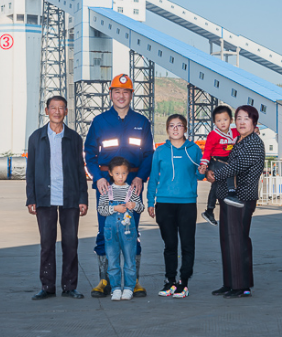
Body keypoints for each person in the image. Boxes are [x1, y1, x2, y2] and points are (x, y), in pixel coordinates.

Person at [84, 74, 154, 298]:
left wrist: (140, 178)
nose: (121, 96)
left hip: (133, 185)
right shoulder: (100, 121)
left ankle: (134, 281)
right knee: (106, 230)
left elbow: (148, 154)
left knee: (132, 231)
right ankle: (105, 280)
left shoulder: (141, 122)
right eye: (117, 92)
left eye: (125, 92)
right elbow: (89, 154)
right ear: (111, 94)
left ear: (131, 95)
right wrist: (98, 177)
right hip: (106, 186)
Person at [26, 95, 89, 300]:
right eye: (53, 108)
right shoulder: (36, 138)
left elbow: (80, 170)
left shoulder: (74, 138)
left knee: (70, 243)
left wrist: (83, 198)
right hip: (45, 198)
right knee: (47, 244)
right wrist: (31, 198)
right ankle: (47, 287)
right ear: (47, 111)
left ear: (66, 112)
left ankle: (69, 286)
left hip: (70, 198)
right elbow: (30, 170)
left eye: (61, 108)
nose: (57, 111)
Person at [206, 105, 265, 299]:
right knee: (227, 240)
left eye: (246, 118)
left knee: (238, 240)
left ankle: (242, 286)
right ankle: (230, 283)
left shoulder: (253, 142)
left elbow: (238, 165)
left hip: (242, 197)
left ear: (254, 122)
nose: (241, 122)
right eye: (238, 118)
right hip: (228, 197)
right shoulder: (239, 139)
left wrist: (216, 174)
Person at [147, 114, 204, 298]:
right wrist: (150, 202)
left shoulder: (194, 149)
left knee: (187, 244)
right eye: (172, 125)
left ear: (185, 129)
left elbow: (200, 175)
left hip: (187, 203)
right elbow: (153, 178)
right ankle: (170, 281)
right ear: (167, 129)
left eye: (179, 125)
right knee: (170, 245)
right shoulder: (160, 151)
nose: (175, 129)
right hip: (164, 203)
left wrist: (202, 171)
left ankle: (183, 282)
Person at [98, 157, 145, 301]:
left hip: (128, 231)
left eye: (124, 173)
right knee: (113, 261)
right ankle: (116, 288)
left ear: (128, 173)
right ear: (110, 173)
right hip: (111, 232)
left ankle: (129, 288)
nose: (120, 177)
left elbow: (141, 208)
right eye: (117, 173)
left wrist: (134, 205)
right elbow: (101, 210)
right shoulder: (107, 191)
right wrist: (114, 208)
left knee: (130, 260)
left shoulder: (132, 191)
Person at [199, 106, 240, 226]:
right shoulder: (213, 135)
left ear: (231, 120)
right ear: (214, 122)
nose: (222, 123)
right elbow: (207, 151)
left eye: (225, 120)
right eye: (219, 120)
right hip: (216, 161)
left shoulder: (235, 132)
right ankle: (231, 194)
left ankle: (209, 211)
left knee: (217, 186)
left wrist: (255, 129)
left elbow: (246, 129)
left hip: (228, 160)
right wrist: (204, 165)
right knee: (226, 173)